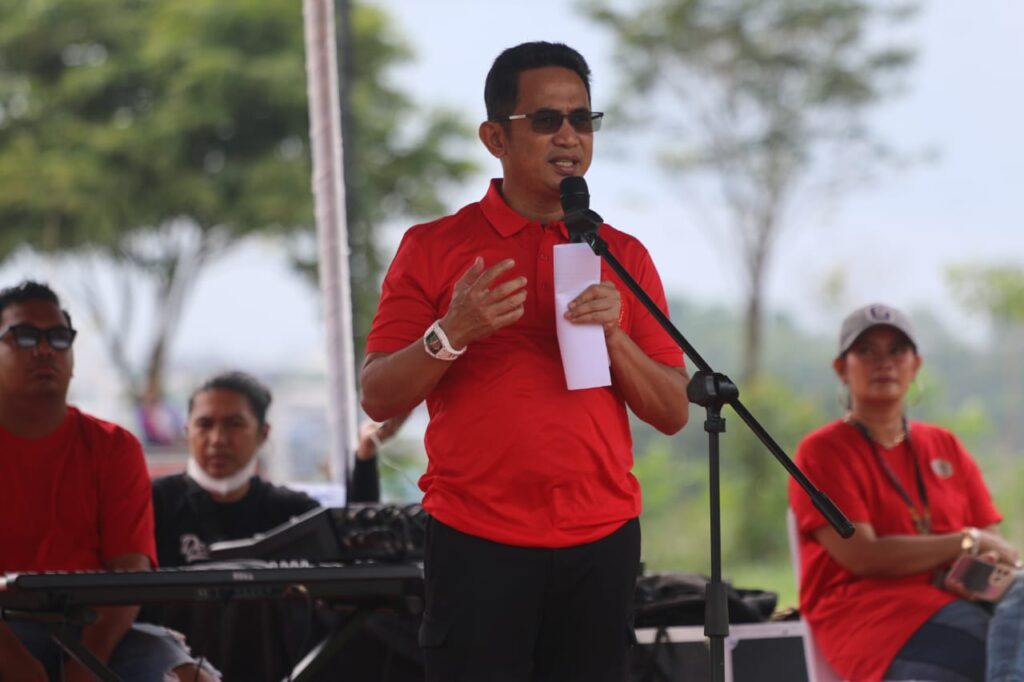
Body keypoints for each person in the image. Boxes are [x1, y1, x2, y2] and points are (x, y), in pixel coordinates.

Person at [361, 41, 690, 681]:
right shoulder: (433, 247)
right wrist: (452, 331)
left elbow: (674, 411)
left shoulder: (621, 254)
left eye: (582, 119)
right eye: (546, 120)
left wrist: (616, 337)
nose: (569, 136)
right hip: (476, 539)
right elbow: (377, 394)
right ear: (496, 137)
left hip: (601, 540)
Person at [789, 303, 1024, 682]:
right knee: (998, 651)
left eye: (897, 350)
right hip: (878, 622)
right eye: (866, 350)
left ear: (916, 365)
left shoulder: (944, 444)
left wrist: (985, 555)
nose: (884, 362)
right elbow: (863, 555)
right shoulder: (822, 451)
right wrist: (965, 542)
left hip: (963, 601)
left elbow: (991, 542)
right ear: (841, 368)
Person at [0, 280, 217, 682]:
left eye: (59, 338)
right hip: (6, 629)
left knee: (192, 677)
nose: (45, 350)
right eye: (25, 336)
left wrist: (85, 667)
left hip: (91, 630)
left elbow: (129, 574)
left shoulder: (115, 447)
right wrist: (22, 669)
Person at [149, 371, 400, 680]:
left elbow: (356, 558)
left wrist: (365, 457)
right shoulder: (153, 503)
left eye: (234, 424)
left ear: (263, 433)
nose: (217, 439)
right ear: (187, 430)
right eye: (205, 424)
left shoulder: (291, 510)